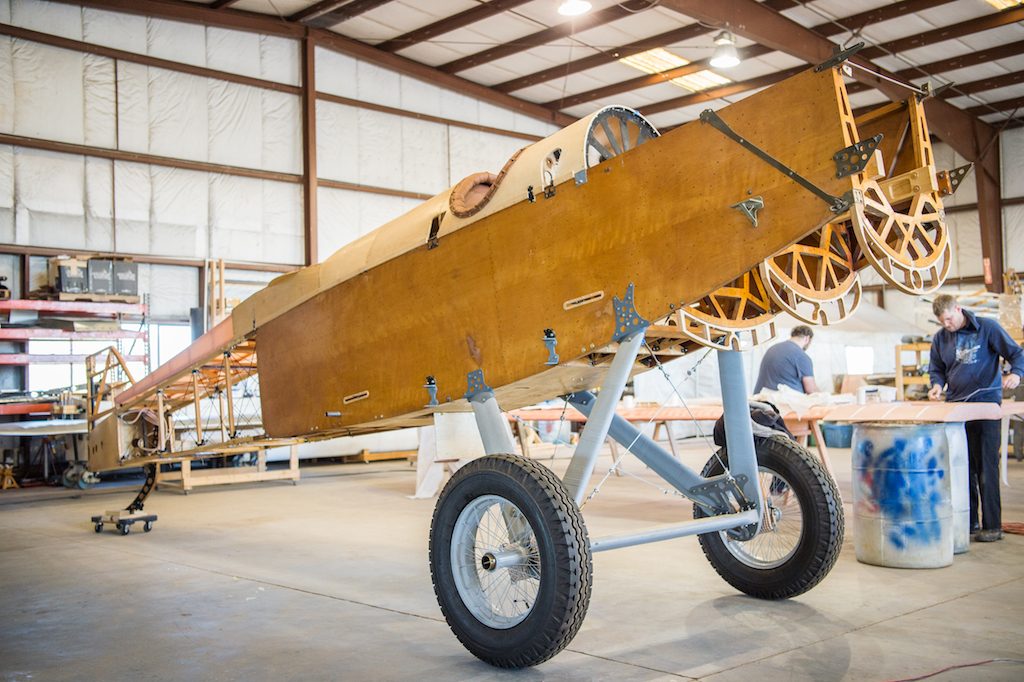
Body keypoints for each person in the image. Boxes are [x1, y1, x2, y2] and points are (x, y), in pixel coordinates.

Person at [928, 294, 1024, 543]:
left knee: (986, 468)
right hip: (957, 410)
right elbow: (936, 368)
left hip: (985, 407)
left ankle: (992, 526)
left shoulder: (987, 328)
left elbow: (1016, 354)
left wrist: (1016, 373)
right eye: (942, 322)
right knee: (962, 468)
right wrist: (937, 385)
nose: (947, 325)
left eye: (949, 319)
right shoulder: (940, 338)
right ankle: (968, 521)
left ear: (958, 309)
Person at [754, 325, 818, 394]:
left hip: (759, 400)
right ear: (807, 338)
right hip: (781, 402)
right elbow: (811, 390)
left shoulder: (773, 349)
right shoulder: (801, 356)